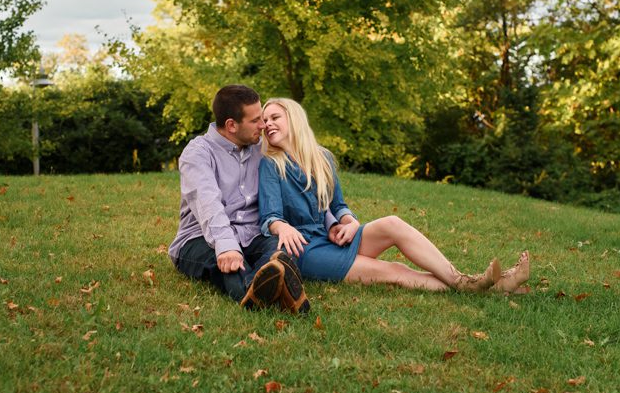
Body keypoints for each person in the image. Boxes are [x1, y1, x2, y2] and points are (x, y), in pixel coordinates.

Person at [258, 98, 530, 293]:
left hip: (333, 238)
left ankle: (467, 282)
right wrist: (281, 226)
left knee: (392, 224)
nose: (267, 124)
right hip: (306, 250)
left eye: (274, 117)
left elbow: (338, 205)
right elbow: (270, 215)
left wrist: (350, 223)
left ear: (293, 119)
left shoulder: (322, 158)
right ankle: (481, 286)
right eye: (264, 121)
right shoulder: (271, 163)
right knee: (394, 272)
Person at [168, 85, 311, 313]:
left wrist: (336, 217)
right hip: (201, 238)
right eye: (256, 121)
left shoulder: (260, 148)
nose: (263, 126)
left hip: (252, 234)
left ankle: (270, 284)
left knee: (283, 250)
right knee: (231, 266)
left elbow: (299, 175)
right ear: (231, 126)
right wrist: (226, 247)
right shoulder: (197, 153)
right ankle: (272, 297)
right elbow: (208, 204)